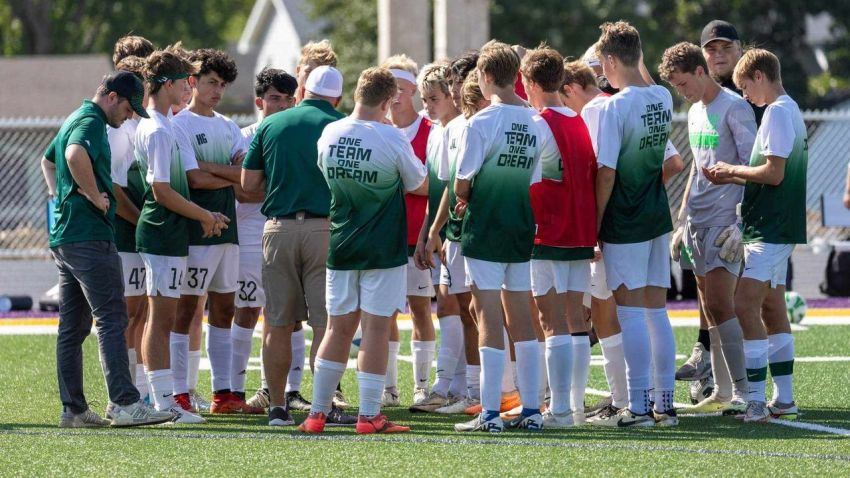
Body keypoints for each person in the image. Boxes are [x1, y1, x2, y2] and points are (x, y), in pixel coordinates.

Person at [298, 66, 428, 434]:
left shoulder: (330, 133)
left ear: (356, 94)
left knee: (337, 329)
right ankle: (369, 415)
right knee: (374, 329)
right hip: (382, 246)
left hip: (341, 243)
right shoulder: (391, 137)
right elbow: (418, 183)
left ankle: (317, 415)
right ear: (389, 101)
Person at [40, 70, 173, 427]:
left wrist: (59, 197)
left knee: (73, 327)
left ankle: (74, 410)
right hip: (88, 235)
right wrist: (94, 196)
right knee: (113, 318)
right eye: (130, 108)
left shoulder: (74, 116)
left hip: (67, 235)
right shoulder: (91, 121)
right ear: (112, 96)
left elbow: (48, 161)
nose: (130, 116)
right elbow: (71, 155)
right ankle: (126, 403)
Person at [242, 65, 356, 427]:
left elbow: (248, 183)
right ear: (337, 97)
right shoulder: (344, 124)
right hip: (327, 229)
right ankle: (323, 405)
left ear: (303, 88)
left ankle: (277, 406)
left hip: (278, 229)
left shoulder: (271, 124)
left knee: (277, 323)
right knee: (325, 324)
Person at [704, 48, 807, 422]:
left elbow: (774, 173)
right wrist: (732, 175)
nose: (746, 95)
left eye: (746, 86)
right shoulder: (787, 109)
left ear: (760, 76)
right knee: (771, 307)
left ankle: (756, 400)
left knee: (744, 304)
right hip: (773, 225)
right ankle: (785, 400)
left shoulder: (778, 112)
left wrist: (731, 169)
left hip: (772, 227)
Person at [659, 42, 756, 415]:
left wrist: (741, 222)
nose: (681, 92)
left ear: (700, 71)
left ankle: (745, 391)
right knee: (708, 306)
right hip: (697, 220)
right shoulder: (696, 110)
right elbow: (698, 169)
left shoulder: (734, 107)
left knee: (721, 303)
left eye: (683, 84)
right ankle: (723, 387)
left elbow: (753, 167)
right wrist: (682, 219)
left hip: (724, 220)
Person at [590, 22, 678, 427]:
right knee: (656, 312)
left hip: (625, 220)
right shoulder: (661, 97)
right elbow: (643, 78)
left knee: (629, 314)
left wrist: (595, 221)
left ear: (609, 60)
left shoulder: (614, 107)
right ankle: (664, 404)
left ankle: (639, 407)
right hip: (658, 216)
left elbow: (605, 172)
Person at [452, 40, 543, 433]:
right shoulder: (536, 121)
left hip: (486, 227)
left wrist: (464, 198)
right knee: (522, 316)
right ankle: (533, 409)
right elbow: (533, 179)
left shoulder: (481, 122)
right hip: (520, 225)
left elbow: (461, 184)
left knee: (488, 315)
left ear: (486, 77)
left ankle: (490, 413)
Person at [135, 47, 228, 423]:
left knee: (165, 315)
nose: (189, 87)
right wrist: (203, 213)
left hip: (170, 231)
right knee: (161, 318)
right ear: (168, 84)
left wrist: (202, 216)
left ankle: (168, 397)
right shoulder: (157, 128)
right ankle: (163, 401)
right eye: (185, 81)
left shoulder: (166, 124)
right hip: (160, 230)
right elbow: (162, 189)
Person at [171, 48, 263, 415]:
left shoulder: (228, 127)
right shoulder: (180, 125)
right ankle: (179, 392)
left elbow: (249, 187)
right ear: (192, 82)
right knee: (188, 309)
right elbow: (192, 178)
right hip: (196, 230)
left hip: (229, 231)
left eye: (222, 85)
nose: (217, 91)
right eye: (211, 82)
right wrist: (227, 173)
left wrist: (217, 173)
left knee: (224, 308)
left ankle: (224, 396)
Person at [559, 58, 627, 422]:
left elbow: (605, 173)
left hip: (607, 229)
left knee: (605, 313)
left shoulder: (599, 110)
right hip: (614, 226)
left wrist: (597, 226)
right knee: (599, 313)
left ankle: (624, 399)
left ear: (570, 90)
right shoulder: (609, 105)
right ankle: (625, 398)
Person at [232, 68, 304, 411]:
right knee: (247, 311)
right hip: (250, 234)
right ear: (259, 101)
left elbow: (252, 184)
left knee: (291, 315)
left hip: (287, 231)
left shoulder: (300, 133)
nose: (283, 104)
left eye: (289, 98)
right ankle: (232, 390)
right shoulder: (242, 136)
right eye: (275, 98)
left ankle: (287, 390)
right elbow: (244, 193)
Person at [410, 61, 468, 413]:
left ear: (451, 95)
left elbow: (453, 189)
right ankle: (452, 385)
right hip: (441, 231)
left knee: (460, 306)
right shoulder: (436, 132)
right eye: (424, 99)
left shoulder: (460, 129)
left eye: (433, 98)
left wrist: (435, 231)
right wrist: (423, 235)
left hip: (459, 231)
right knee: (450, 304)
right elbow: (436, 192)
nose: (427, 106)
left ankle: (453, 386)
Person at [380, 54, 436, 408]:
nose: (396, 96)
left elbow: (434, 184)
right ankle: (388, 387)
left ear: (414, 89)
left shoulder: (430, 131)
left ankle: (421, 385)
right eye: (390, 89)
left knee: (420, 309)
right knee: (383, 311)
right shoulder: (376, 128)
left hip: (418, 234)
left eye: (401, 89)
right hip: (383, 234)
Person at [108, 54, 153, 404]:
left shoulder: (142, 125)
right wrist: (142, 222)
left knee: (140, 313)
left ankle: (138, 389)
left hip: (139, 236)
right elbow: (115, 188)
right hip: (125, 235)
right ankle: (122, 395)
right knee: (127, 314)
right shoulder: (119, 130)